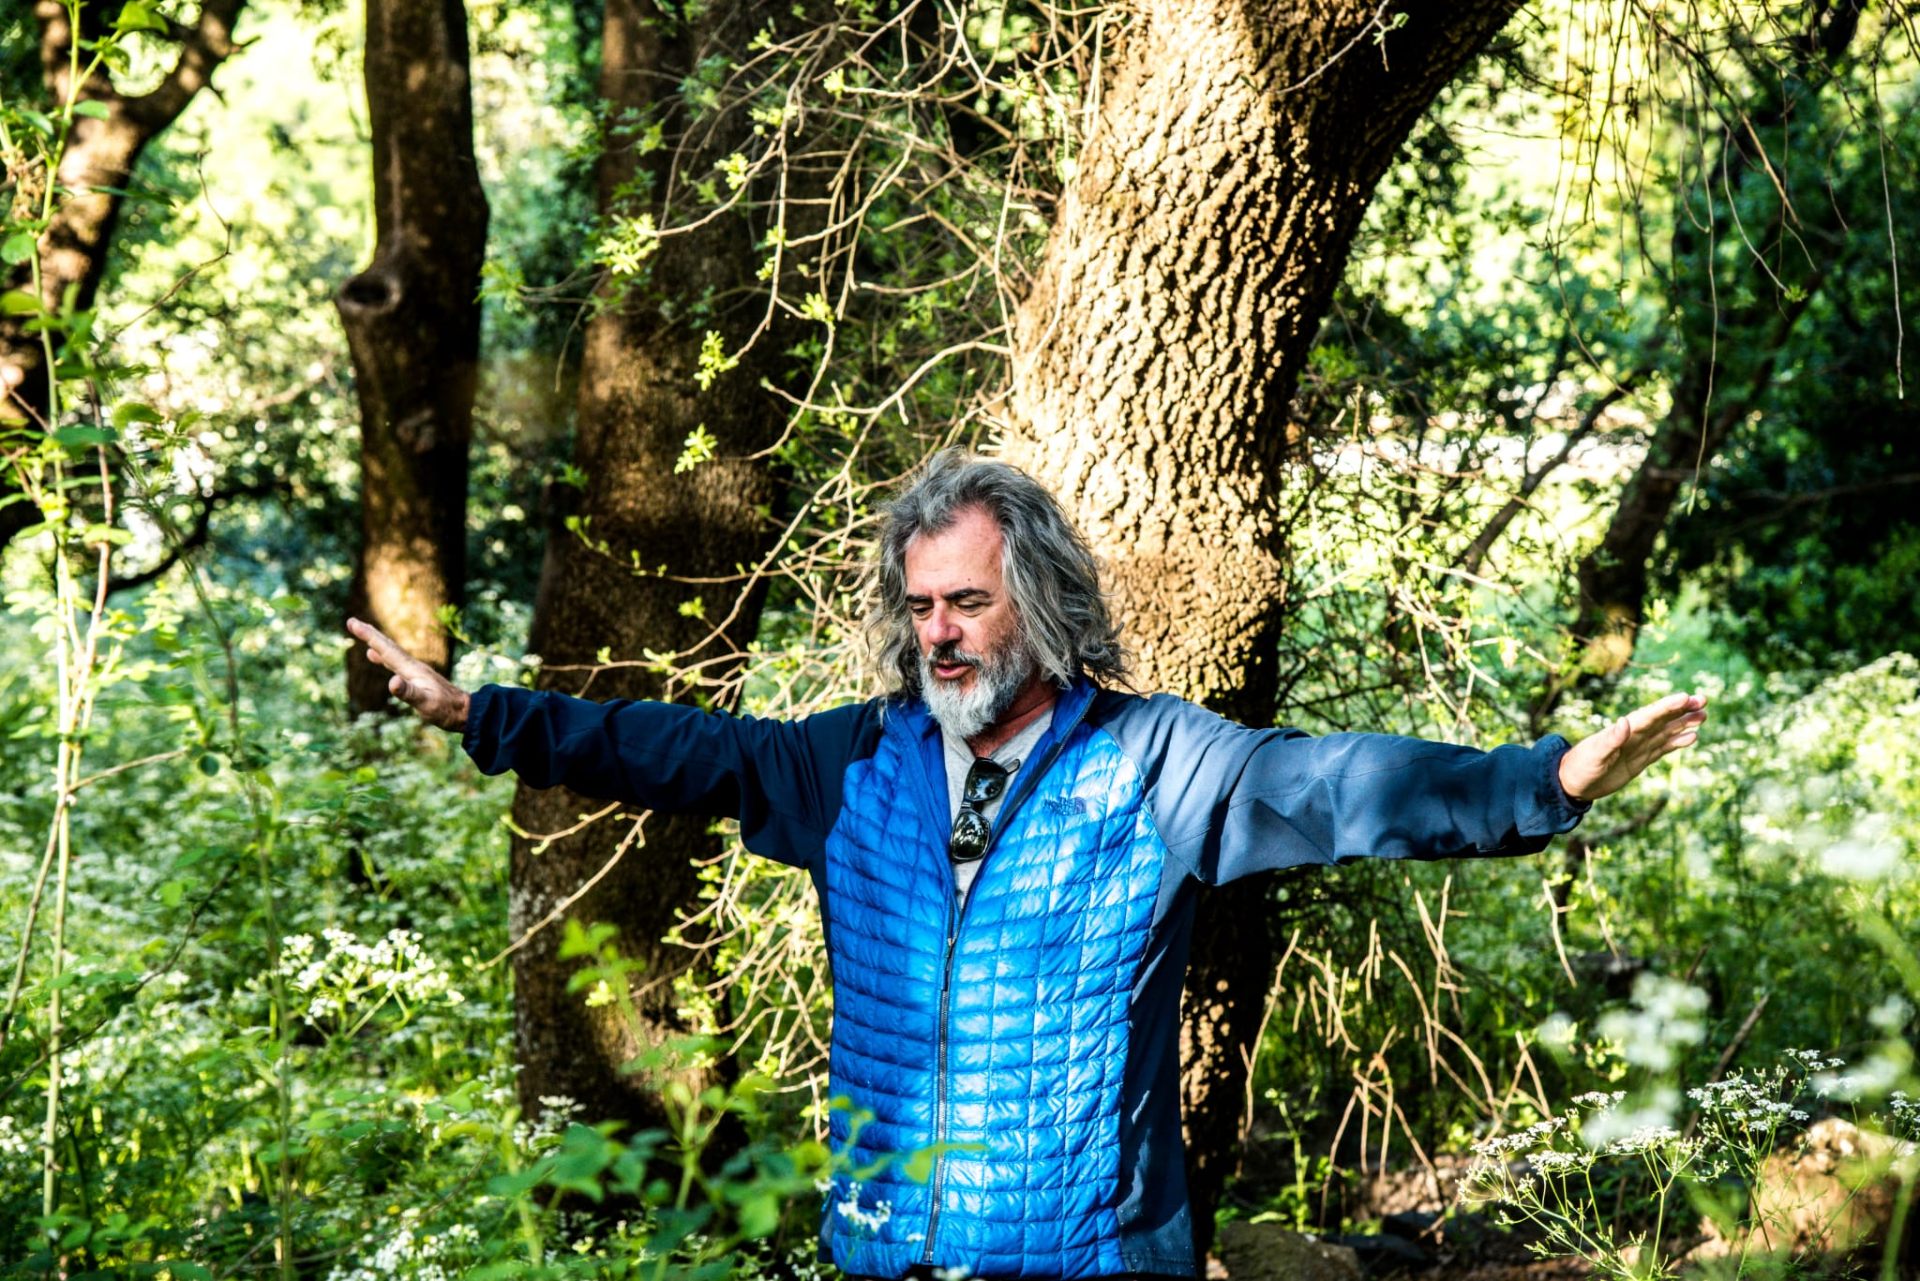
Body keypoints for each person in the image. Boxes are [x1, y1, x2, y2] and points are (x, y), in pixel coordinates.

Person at [347, 451, 1707, 1281]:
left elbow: (1339, 785)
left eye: (970, 602)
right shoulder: (848, 766)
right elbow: (672, 749)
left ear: (1040, 603)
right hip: (892, 1246)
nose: (941, 636)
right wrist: (481, 712)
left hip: (1094, 1257)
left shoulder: (1154, 762)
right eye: (922, 606)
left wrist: (1546, 779)